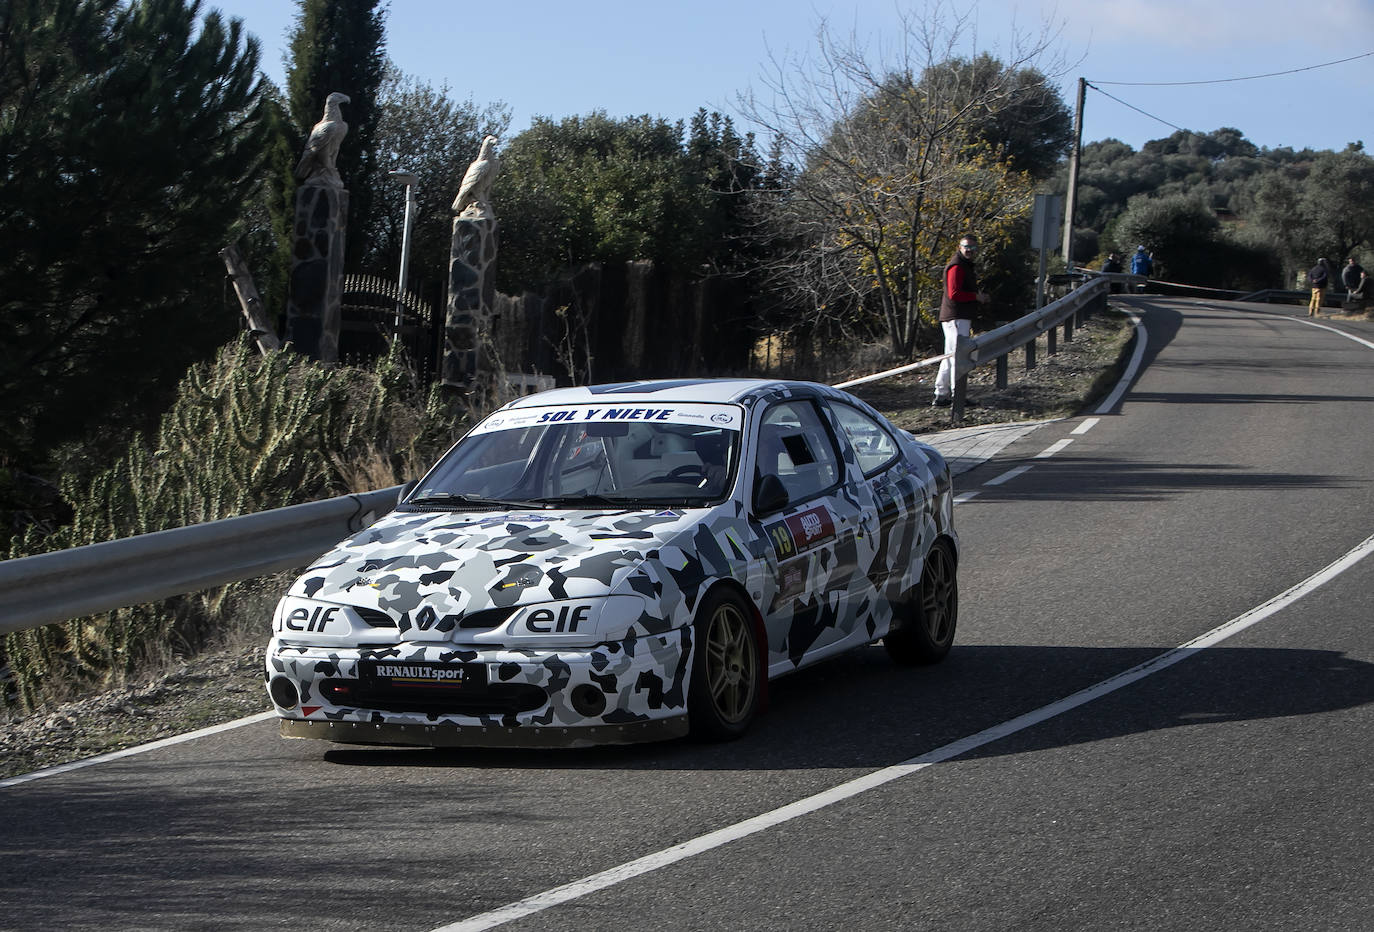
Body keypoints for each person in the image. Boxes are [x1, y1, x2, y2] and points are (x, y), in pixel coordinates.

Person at [933, 234, 990, 407]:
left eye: (973, 248)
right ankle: (957, 396)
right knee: (957, 357)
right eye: (966, 247)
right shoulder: (957, 266)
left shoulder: (964, 265)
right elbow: (954, 294)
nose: (969, 251)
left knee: (950, 356)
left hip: (957, 317)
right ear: (959, 247)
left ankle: (941, 395)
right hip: (955, 317)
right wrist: (976, 297)